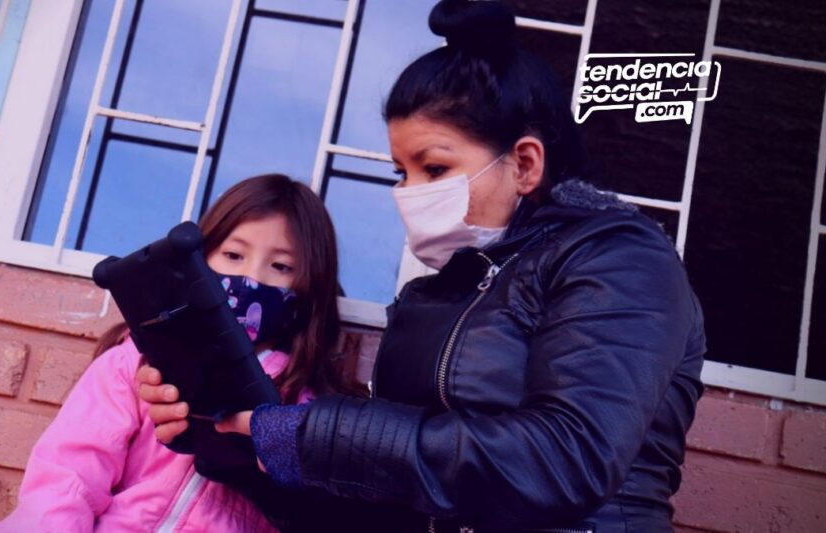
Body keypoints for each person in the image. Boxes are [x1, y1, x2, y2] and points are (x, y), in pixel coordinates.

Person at [139, 1, 707, 532]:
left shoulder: (622, 261)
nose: (409, 193)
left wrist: (309, 436)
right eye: (400, 172)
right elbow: (387, 507)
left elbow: (567, 459)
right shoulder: (443, 292)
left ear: (526, 164)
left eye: (433, 169)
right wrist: (240, 447)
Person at [0, 174, 366, 532]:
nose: (252, 278)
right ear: (199, 258)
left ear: (308, 287)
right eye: (233, 255)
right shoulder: (135, 364)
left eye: (281, 266)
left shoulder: (304, 408)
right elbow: (69, 476)